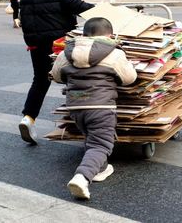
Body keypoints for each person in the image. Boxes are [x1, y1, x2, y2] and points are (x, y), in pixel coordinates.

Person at [51, 17, 137, 199]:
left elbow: (56, 76)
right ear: (110, 35)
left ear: (83, 35)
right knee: (101, 145)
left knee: (93, 139)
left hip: (75, 106)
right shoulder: (114, 54)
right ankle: (82, 177)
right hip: (100, 107)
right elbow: (129, 78)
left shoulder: (66, 53)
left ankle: (102, 168)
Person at [18, 0, 94, 144]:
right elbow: (72, 3)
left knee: (41, 79)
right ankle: (81, 124)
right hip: (58, 38)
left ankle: (28, 118)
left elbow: (22, 8)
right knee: (75, 79)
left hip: (35, 38)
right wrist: (100, 10)